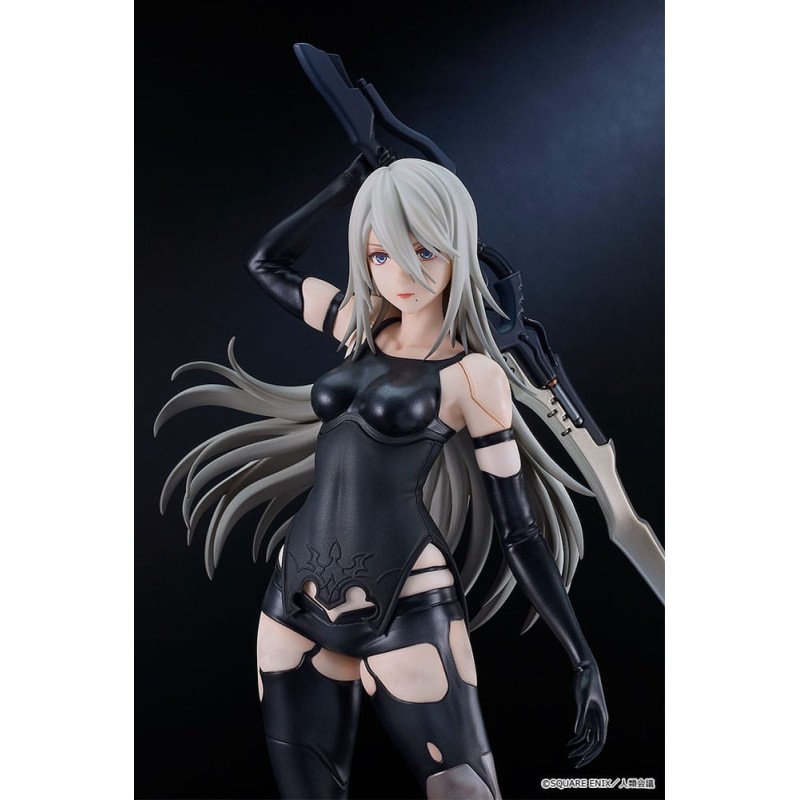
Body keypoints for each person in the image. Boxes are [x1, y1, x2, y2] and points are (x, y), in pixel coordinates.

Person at [157, 156, 608, 799]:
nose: (401, 274)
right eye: (380, 255)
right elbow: (266, 264)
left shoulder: (475, 376)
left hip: (406, 604)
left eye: (423, 251)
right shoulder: (356, 329)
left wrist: (583, 658)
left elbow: (519, 531)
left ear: (458, 249)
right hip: (293, 597)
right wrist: (347, 185)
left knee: (467, 790)